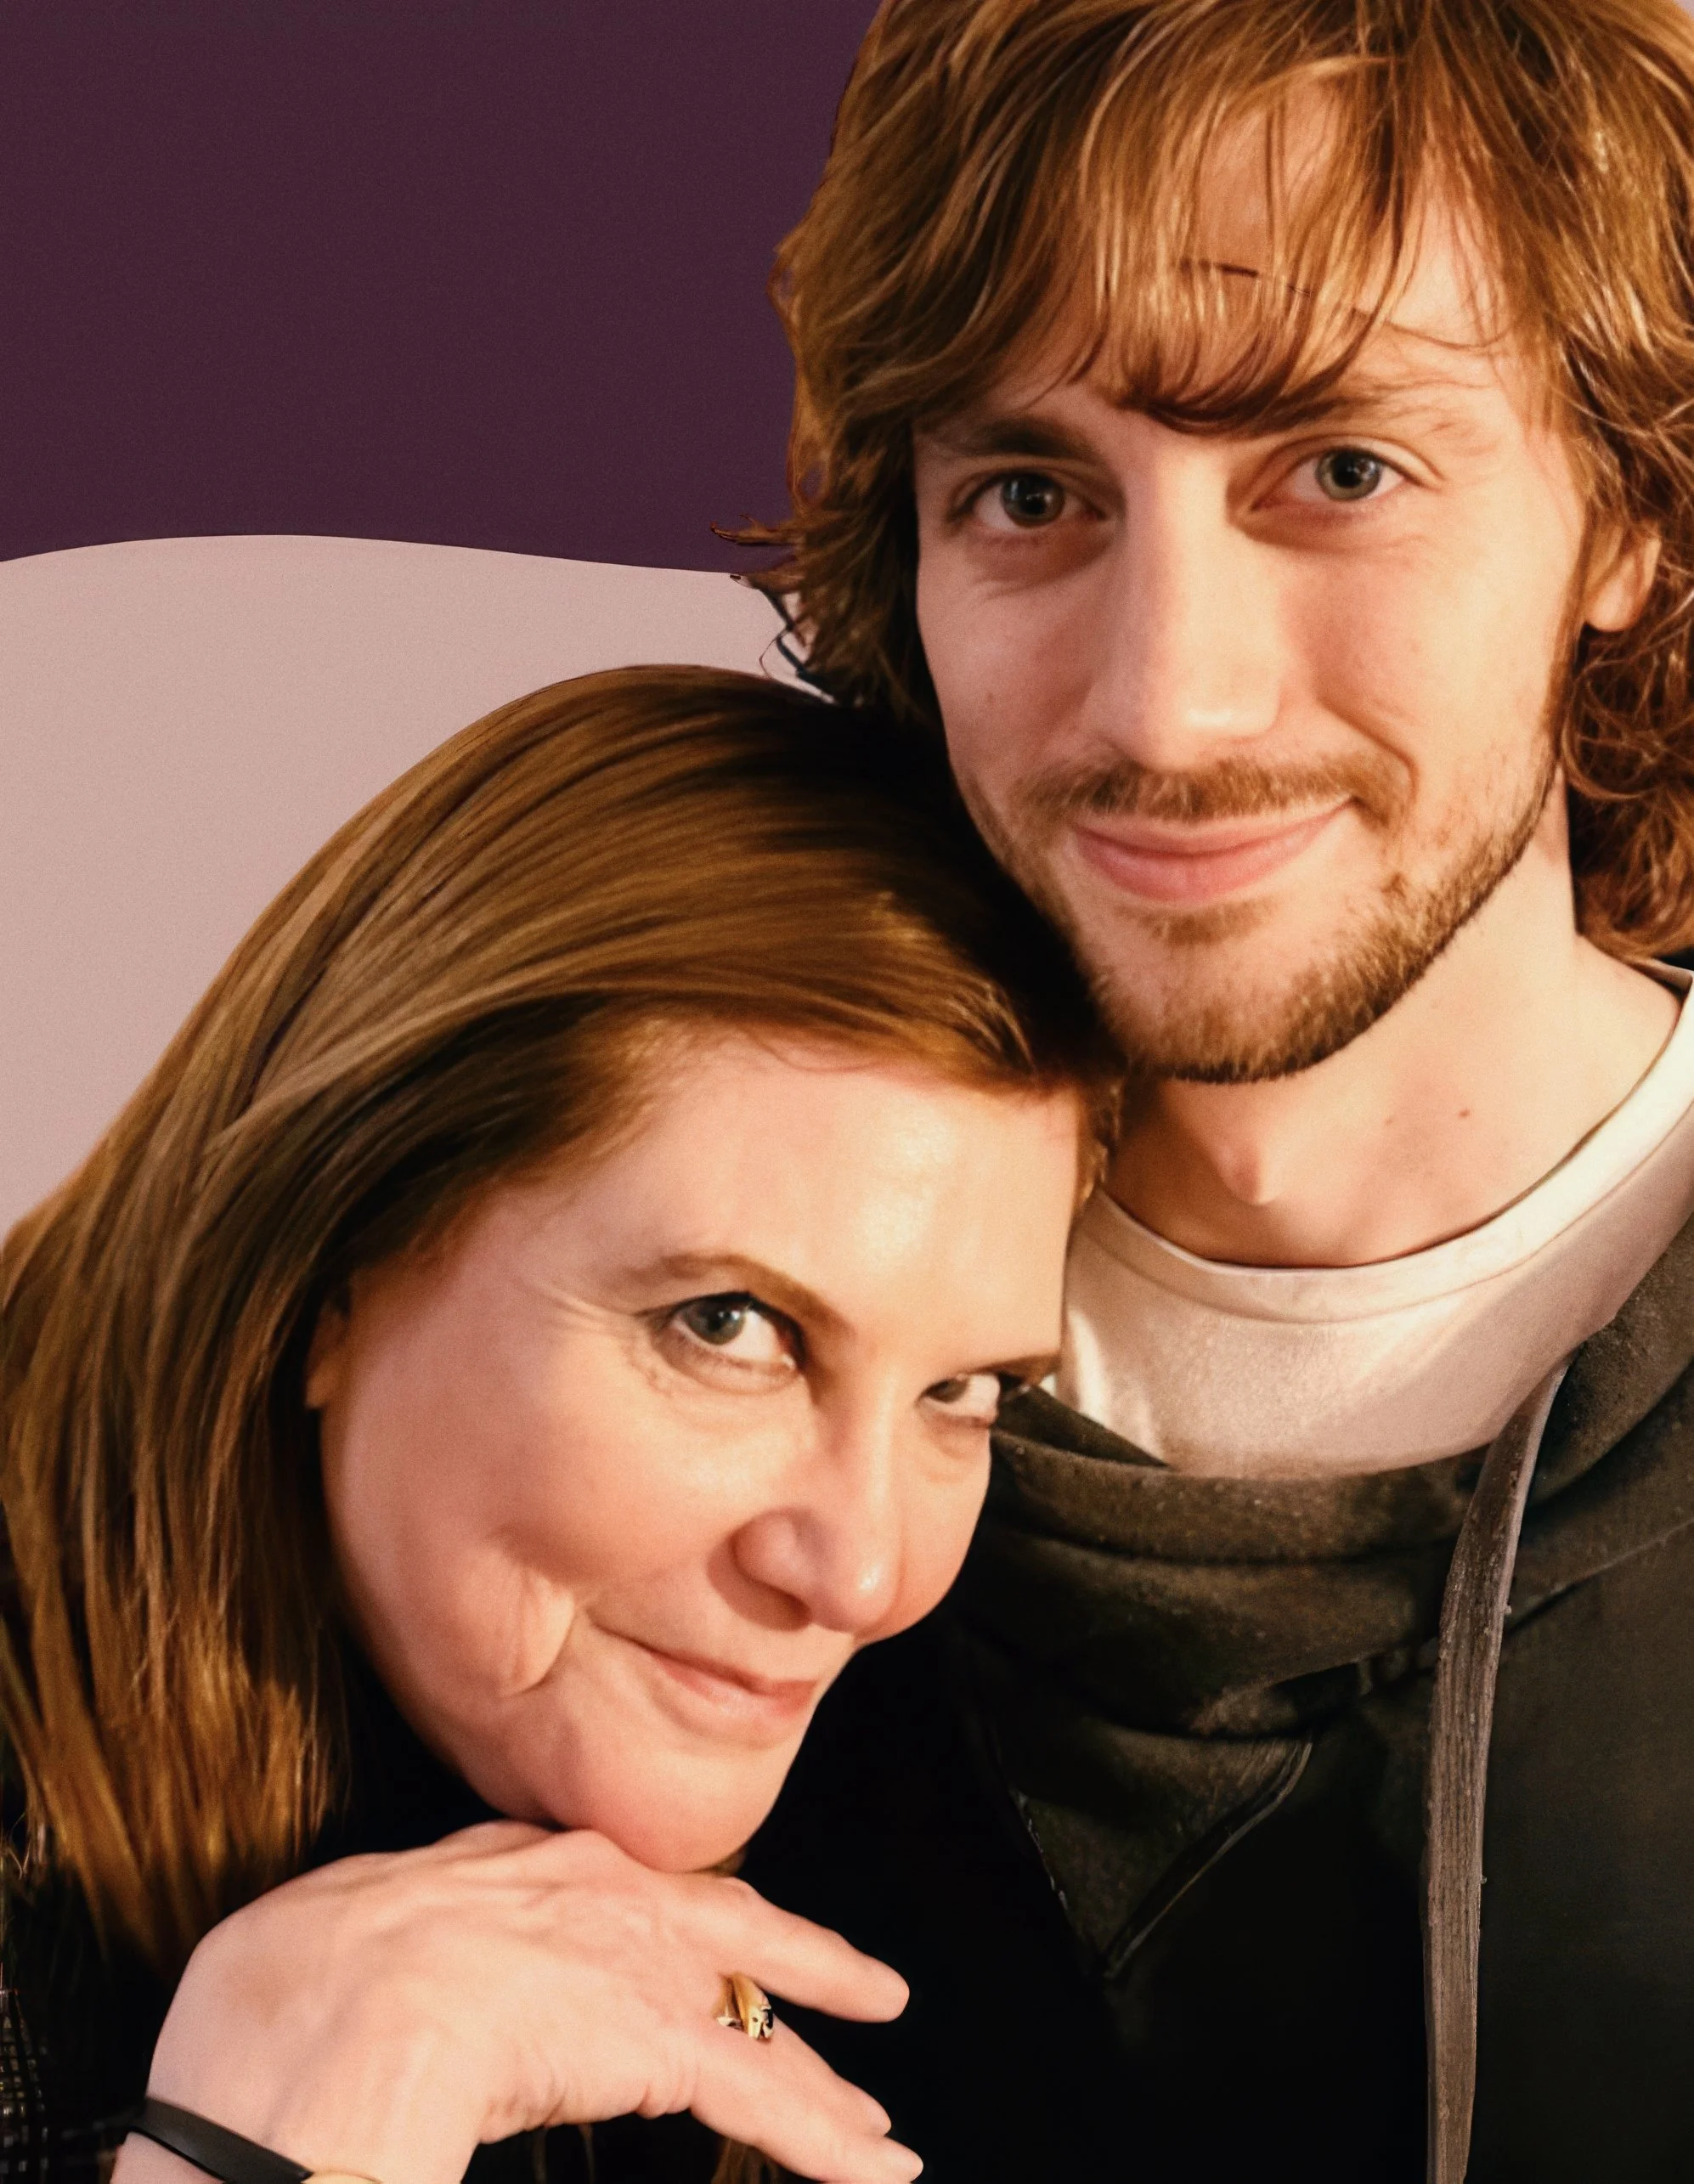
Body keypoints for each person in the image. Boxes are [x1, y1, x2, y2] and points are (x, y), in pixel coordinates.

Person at [720, 1, 1694, 2178]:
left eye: (1338, 470)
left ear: (1626, 511)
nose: (1169, 693)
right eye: (1032, 493)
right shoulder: (641, 1336)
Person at [0, 665, 1115, 2184]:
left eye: (958, 1391)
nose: (859, 1574)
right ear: (328, 1266)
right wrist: (267, 2142)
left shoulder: (922, 1833)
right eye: (729, 1328)